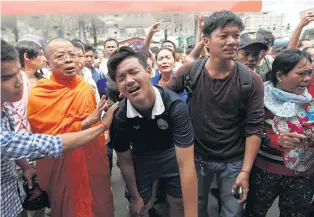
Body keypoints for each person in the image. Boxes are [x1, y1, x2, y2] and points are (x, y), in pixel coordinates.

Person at [0, 38, 118, 217]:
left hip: (93, 165)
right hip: (63, 170)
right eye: (61, 56)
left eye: (72, 55)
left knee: (99, 205)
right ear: (47, 64)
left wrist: (98, 126)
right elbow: (45, 139)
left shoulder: (85, 88)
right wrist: (95, 124)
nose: (69, 60)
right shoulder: (41, 94)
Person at [167, 10, 264, 217]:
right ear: (206, 41)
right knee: (196, 207)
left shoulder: (251, 80)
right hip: (197, 158)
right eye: (223, 36)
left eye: (236, 35)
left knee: (234, 211)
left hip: (235, 162)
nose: (232, 41)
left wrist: (245, 171)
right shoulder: (188, 72)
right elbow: (164, 99)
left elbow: (254, 127)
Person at [108, 46, 197, 217]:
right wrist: (134, 197)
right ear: (118, 86)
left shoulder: (175, 106)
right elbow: (124, 161)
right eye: (121, 78)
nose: (129, 80)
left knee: (178, 203)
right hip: (141, 157)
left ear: (149, 71)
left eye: (134, 72)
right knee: (140, 208)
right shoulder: (119, 117)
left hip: (172, 153)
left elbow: (186, 165)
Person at [245, 49, 314, 217]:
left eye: (310, 73)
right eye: (300, 73)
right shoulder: (261, 98)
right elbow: (250, 131)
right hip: (265, 172)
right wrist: (276, 140)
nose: (307, 79)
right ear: (280, 76)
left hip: (303, 175)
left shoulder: (310, 99)